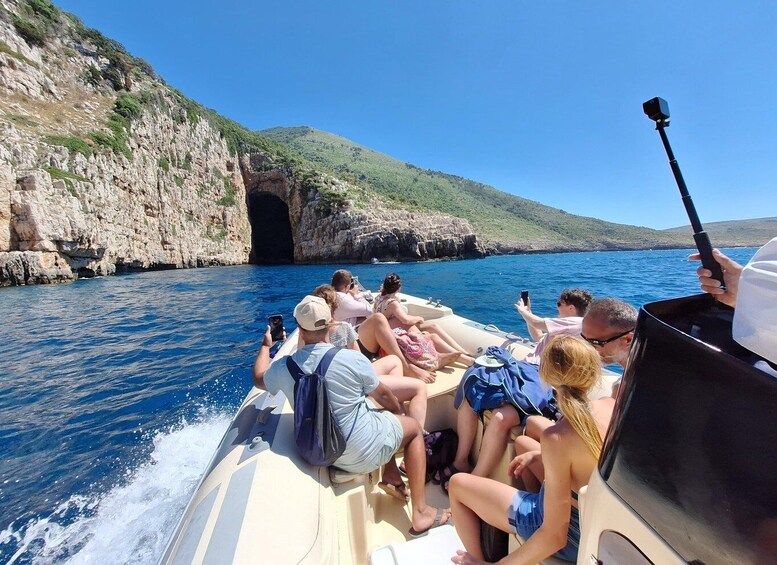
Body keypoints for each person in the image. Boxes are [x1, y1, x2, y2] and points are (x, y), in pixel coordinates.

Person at [253, 295, 450, 534]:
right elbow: (385, 396)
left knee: (378, 416)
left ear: (299, 328)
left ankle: (391, 477)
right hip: (360, 452)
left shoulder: (285, 367)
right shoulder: (351, 359)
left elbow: (259, 378)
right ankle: (420, 513)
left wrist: (266, 346)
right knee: (412, 429)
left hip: (318, 452)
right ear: (329, 323)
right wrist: (400, 413)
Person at [449, 336, 616, 564]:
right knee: (523, 444)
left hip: (574, 537)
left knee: (458, 484)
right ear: (594, 373)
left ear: (546, 377)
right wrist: (538, 453)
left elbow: (554, 536)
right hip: (601, 523)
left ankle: (477, 560)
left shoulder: (557, 438)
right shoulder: (612, 405)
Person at [310, 284, 429, 429]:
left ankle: (398, 410)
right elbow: (361, 365)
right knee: (417, 386)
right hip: (352, 385)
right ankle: (405, 419)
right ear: (335, 306)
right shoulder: (342, 329)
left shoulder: (305, 335)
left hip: (328, 387)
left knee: (395, 360)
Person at [373, 272, 475, 366]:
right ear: (399, 288)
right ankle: (466, 359)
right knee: (433, 336)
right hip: (398, 331)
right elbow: (406, 320)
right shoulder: (392, 303)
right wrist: (419, 318)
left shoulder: (379, 298)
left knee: (433, 326)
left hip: (397, 328)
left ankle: (463, 352)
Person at [515, 288, 593, 365]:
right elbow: (538, 337)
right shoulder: (574, 327)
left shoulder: (576, 323)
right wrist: (528, 312)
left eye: (559, 304)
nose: (557, 307)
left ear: (571, 308)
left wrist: (523, 311)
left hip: (535, 368)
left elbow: (536, 322)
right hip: (537, 368)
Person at [580, 297, 638, 398]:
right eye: (584, 339)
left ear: (628, 339)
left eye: (594, 342)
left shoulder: (627, 390)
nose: (586, 348)